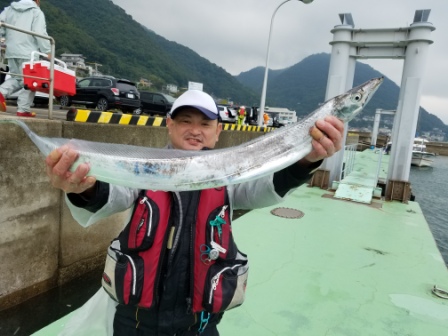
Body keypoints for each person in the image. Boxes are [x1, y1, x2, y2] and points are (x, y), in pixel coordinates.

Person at [45, 90, 344, 336]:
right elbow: (109, 194)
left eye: (205, 124)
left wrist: (306, 162)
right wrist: (80, 188)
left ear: (218, 132)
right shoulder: (142, 170)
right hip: (135, 324)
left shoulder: (230, 178)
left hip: (199, 326)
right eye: (185, 120)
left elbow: (266, 187)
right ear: (169, 125)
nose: (195, 130)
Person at [0, 0, 51, 117]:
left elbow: (1, 26)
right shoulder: (36, 12)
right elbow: (40, 33)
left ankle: (1, 93)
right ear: (37, 1)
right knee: (31, 81)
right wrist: (47, 51)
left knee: (16, 78)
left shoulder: (9, 9)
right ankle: (23, 110)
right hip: (29, 53)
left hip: (11, 51)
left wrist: (5, 36)